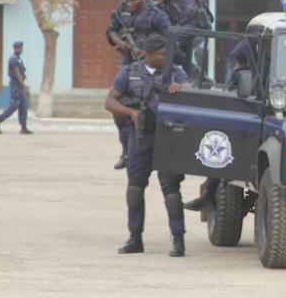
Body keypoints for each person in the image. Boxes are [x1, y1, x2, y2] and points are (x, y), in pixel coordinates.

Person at [105, 35, 191, 256]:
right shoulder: (131, 72)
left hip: (167, 138)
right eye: (162, 54)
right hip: (140, 136)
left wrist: (178, 89)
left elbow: (188, 90)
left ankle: (178, 240)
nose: (166, 57)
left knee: (171, 190)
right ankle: (135, 239)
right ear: (150, 54)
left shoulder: (175, 70)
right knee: (135, 189)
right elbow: (110, 101)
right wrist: (130, 112)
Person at [107, 0, 171, 170]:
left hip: (154, 66)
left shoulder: (157, 15)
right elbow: (112, 30)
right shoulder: (122, 10)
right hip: (130, 65)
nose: (130, 3)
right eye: (127, 0)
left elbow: (170, 37)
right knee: (118, 109)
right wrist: (122, 44)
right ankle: (126, 151)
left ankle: (156, 153)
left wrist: (148, 52)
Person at [184, 42, 252, 211]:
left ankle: (250, 200)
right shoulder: (238, 70)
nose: (241, 65)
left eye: (244, 61)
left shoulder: (263, 70)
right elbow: (228, 90)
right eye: (239, 61)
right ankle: (209, 193)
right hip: (238, 119)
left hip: (258, 121)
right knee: (219, 143)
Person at [133, 0, 212, 71]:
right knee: (161, 46)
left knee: (165, 44)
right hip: (183, 27)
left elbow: (154, 3)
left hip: (196, 25)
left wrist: (135, 11)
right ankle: (185, 76)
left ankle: (195, 71)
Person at [0, 42, 33, 135]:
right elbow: (17, 74)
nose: (20, 50)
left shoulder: (18, 59)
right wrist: (25, 87)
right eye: (19, 48)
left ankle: (23, 127)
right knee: (14, 106)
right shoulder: (13, 59)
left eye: (21, 48)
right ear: (15, 49)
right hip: (16, 85)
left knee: (23, 107)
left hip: (19, 85)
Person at [217, 18, 241, 83]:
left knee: (237, 74)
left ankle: (234, 89)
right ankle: (226, 89)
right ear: (230, 24)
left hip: (236, 58)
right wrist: (223, 56)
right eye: (232, 23)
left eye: (235, 23)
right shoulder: (226, 33)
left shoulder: (238, 34)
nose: (234, 24)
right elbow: (220, 46)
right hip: (228, 57)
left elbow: (241, 46)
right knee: (228, 74)